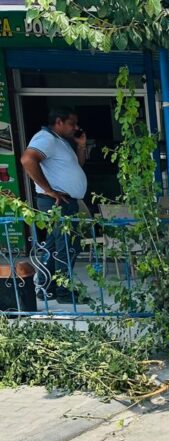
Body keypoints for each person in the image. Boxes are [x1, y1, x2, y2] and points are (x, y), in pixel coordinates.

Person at [19, 107, 88, 302]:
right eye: (71, 123)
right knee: (66, 247)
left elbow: (76, 167)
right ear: (59, 122)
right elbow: (27, 159)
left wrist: (81, 146)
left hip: (64, 201)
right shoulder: (46, 138)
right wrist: (48, 190)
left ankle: (46, 288)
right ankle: (64, 292)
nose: (75, 127)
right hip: (57, 201)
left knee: (54, 246)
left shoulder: (60, 142)